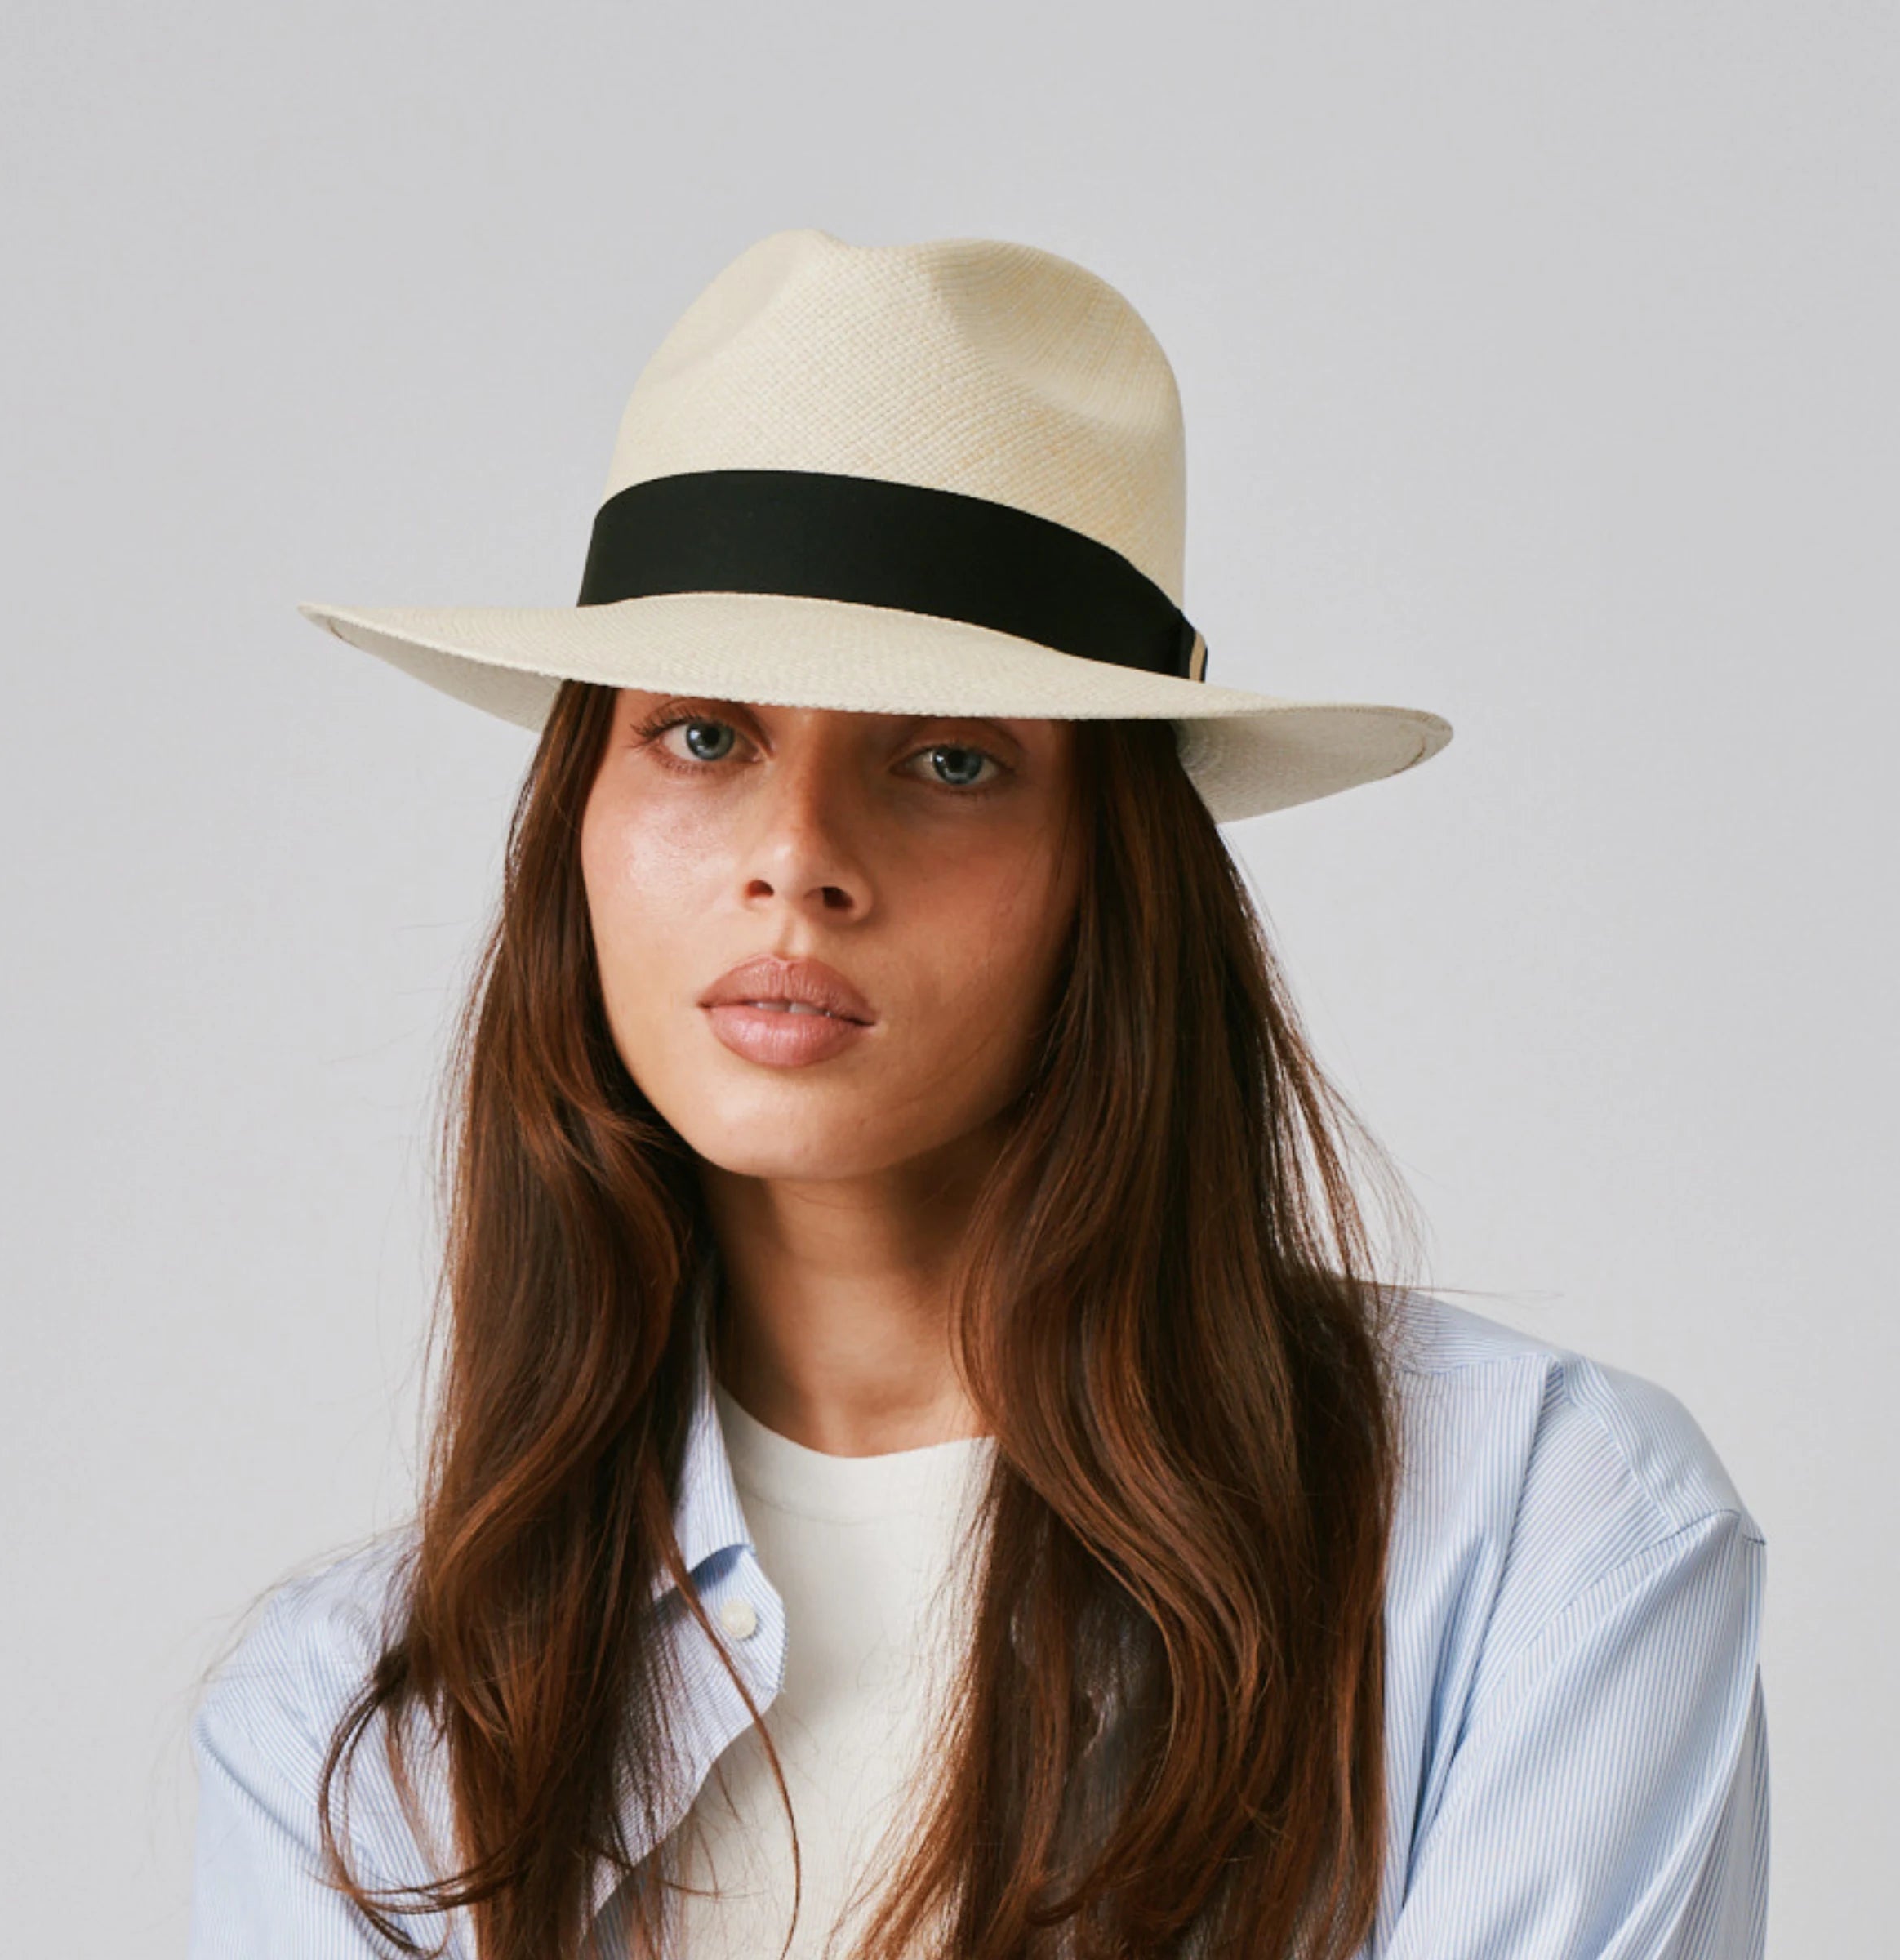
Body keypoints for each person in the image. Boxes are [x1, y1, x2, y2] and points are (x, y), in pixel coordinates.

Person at [185, 228, 1767, 1960]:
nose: (798, 863)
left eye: (949, 758)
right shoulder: (352, 1734)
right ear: (578, 812)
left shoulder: (1543, 1537)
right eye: (704, 736)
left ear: (1113, 867)